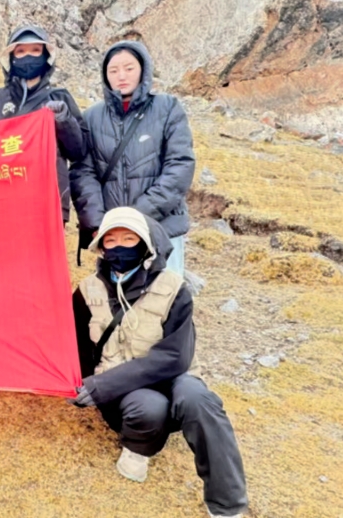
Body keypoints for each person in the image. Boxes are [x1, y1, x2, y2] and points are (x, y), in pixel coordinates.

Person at [68, 207, 248, 518]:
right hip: (121, 391)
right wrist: (82, 385)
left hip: (169, 377)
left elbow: (176, 356)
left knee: (199, 398)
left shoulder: (174, 287)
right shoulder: (87, 291)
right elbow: (78, 348)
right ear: (101, 247)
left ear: (147, 243)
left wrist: (101, 385)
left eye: (130, 238)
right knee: (148, 407)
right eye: (111, 240)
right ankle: (137, 449)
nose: (121, 245)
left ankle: (227, 504)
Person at [69, 41, 194, 274]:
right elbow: (83, 172)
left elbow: (179, 166)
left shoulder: (167, 108)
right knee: (116, 302)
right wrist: (99, 223)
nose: (121, 76)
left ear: (143, 70)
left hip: (160, 227)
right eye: (113, 71)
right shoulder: (92, 117)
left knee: (164, 300)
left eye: (129, 68)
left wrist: (137, 218)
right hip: (113, 236)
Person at [0, 25, 87, 226]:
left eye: (36, 50)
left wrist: (63, 119)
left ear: (46, 57)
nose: (28, 56)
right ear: (10, 58)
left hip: (48, 204)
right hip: (0, 203)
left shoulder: (60, 98)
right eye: (21, 51)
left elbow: (78, 151)